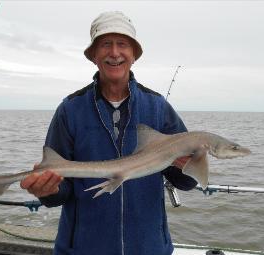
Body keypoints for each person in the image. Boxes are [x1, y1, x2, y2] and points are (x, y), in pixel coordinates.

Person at [20, 11, 197, 255]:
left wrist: (188, 165)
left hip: (148, 248)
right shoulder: (70, 110)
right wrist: (48, 191)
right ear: (93, 55)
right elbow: (61, 191)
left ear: (134, 54)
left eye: (122, 44)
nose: (114, 53)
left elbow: (187, 182)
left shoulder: (159, 109)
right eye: (105, 44)